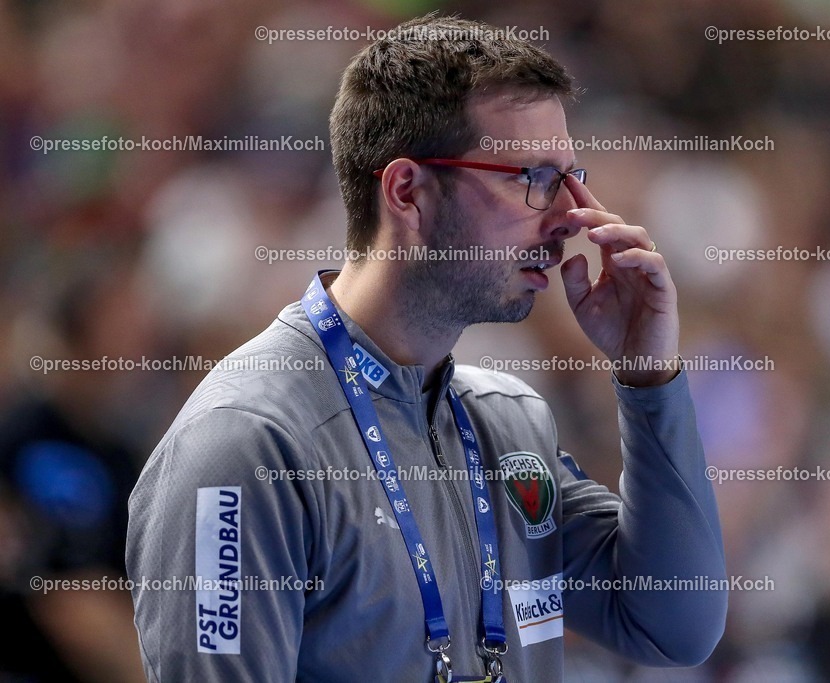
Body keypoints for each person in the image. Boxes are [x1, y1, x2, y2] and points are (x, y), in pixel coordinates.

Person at [126, 14, 727, 682]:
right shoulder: (247, 443)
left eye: (568, 177)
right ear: (407, 191)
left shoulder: (510, 423)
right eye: (530, 177)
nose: (568, 217)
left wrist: (649, 379)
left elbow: (677, 623)